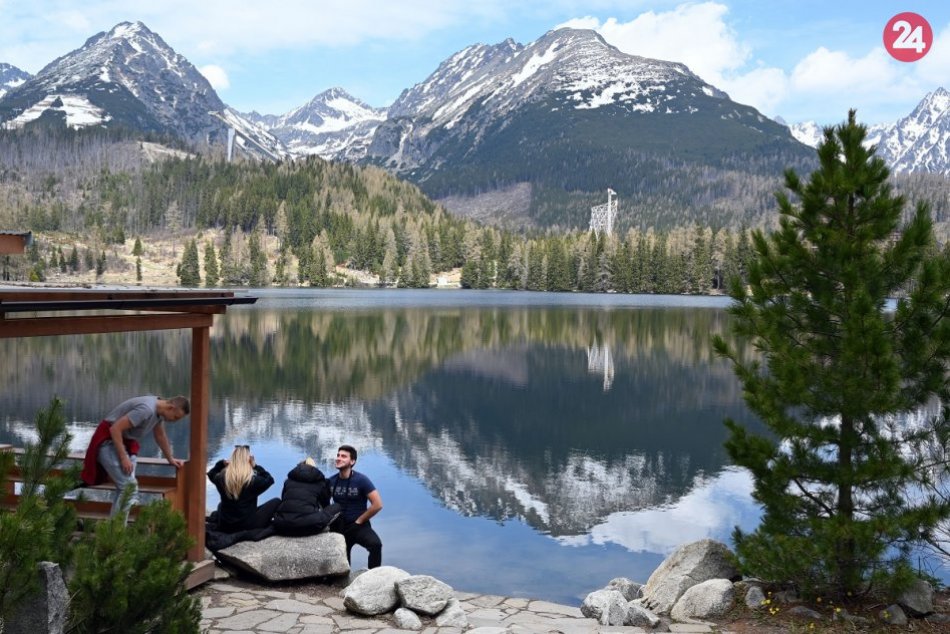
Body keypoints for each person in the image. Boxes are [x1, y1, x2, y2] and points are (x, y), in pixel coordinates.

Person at [80, 394, 189, 522]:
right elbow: (115, 429)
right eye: (176, 417)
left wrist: (170, 458)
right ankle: (116, 531)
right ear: (170, 407)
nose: (174, 421)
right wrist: (123, 457)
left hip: (124, 442)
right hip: (108, 442)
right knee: (128, 487)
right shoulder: (146, 410)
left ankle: (114, 529)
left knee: (125, 488)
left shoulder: (159, 412)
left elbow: (160, 435)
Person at [328, 444, 383, 568]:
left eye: (343, 456)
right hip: (339, 526)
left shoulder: (361, 480)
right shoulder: (331, 481)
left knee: (375, 545)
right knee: (343, 562)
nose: (338, 458)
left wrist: (359, 521)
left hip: (358, 525)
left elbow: (377, 505)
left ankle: (373, 578)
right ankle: (343, 583)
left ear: (352, 461)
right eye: (338, 455)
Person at [207, 444, 280, 532]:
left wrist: (222, 463)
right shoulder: (253, 481)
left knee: (221, 505)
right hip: (247, 525)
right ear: (248, 460)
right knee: (276, 501)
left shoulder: (221, 478)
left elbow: (211, 473)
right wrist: (255, 466)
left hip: (225, 524)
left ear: (232, 460)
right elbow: (269, 479)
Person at [272, 457, 342, 536]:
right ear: (314, 469)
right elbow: (325, 504)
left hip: (282, 526)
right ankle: (336, 534)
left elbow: (284, 499)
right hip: (307, 527)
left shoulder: (288, 481)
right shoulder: (320, 482)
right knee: (337, 506)